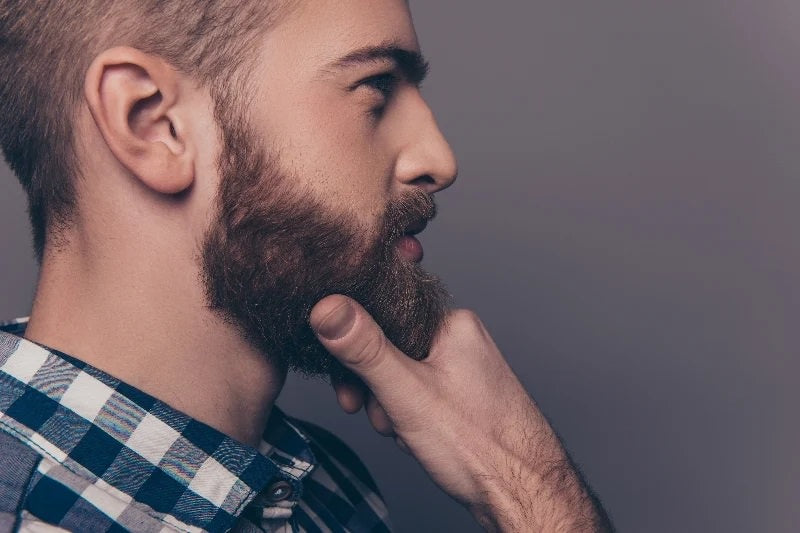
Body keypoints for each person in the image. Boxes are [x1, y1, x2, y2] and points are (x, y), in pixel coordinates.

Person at [0, 0, 612, 531]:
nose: (439, 160)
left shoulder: (332, 496)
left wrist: (514, 476)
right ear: (152, 122)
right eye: (375, 90)